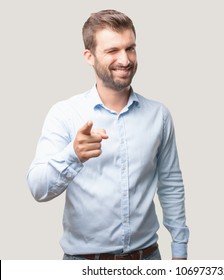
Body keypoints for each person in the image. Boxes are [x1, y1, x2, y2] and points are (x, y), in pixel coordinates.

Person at [27, 9, 189, 260]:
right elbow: (38, 188)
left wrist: (180, 253)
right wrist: (74, 154)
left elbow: (170, 184)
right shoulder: (65, 114)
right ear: (89, 57)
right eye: (112, 51)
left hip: (147, 261)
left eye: (130, 48)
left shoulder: (159, 115)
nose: (125, 60)